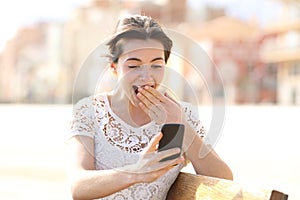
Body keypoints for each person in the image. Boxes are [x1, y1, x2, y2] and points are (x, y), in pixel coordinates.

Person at [67, 14, 233, 200]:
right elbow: (77, 186)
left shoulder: (181, 114)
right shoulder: (90, 111)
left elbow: (224, 181)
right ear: (114, 67)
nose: (146, 77)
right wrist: (136, 172)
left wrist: (181, 126)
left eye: (156, 65)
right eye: (133, 66)